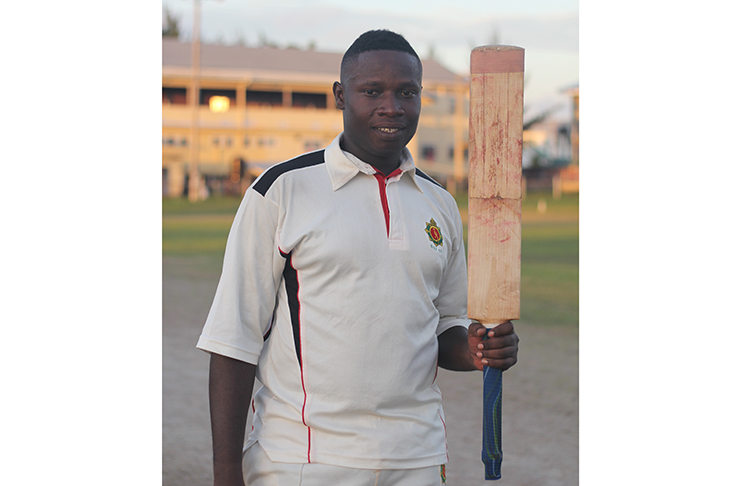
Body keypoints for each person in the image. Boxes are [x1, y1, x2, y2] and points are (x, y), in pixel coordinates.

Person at [197, 29, 519, 486]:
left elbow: (446, 324)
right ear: (340, 96)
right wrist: (225, 471)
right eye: (372, 92)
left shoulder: (439, 203)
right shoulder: (283, 191)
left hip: (418, 457)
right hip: (303, 459)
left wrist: (475, 349)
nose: (392, 106)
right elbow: (235, 338)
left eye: (407, 92)